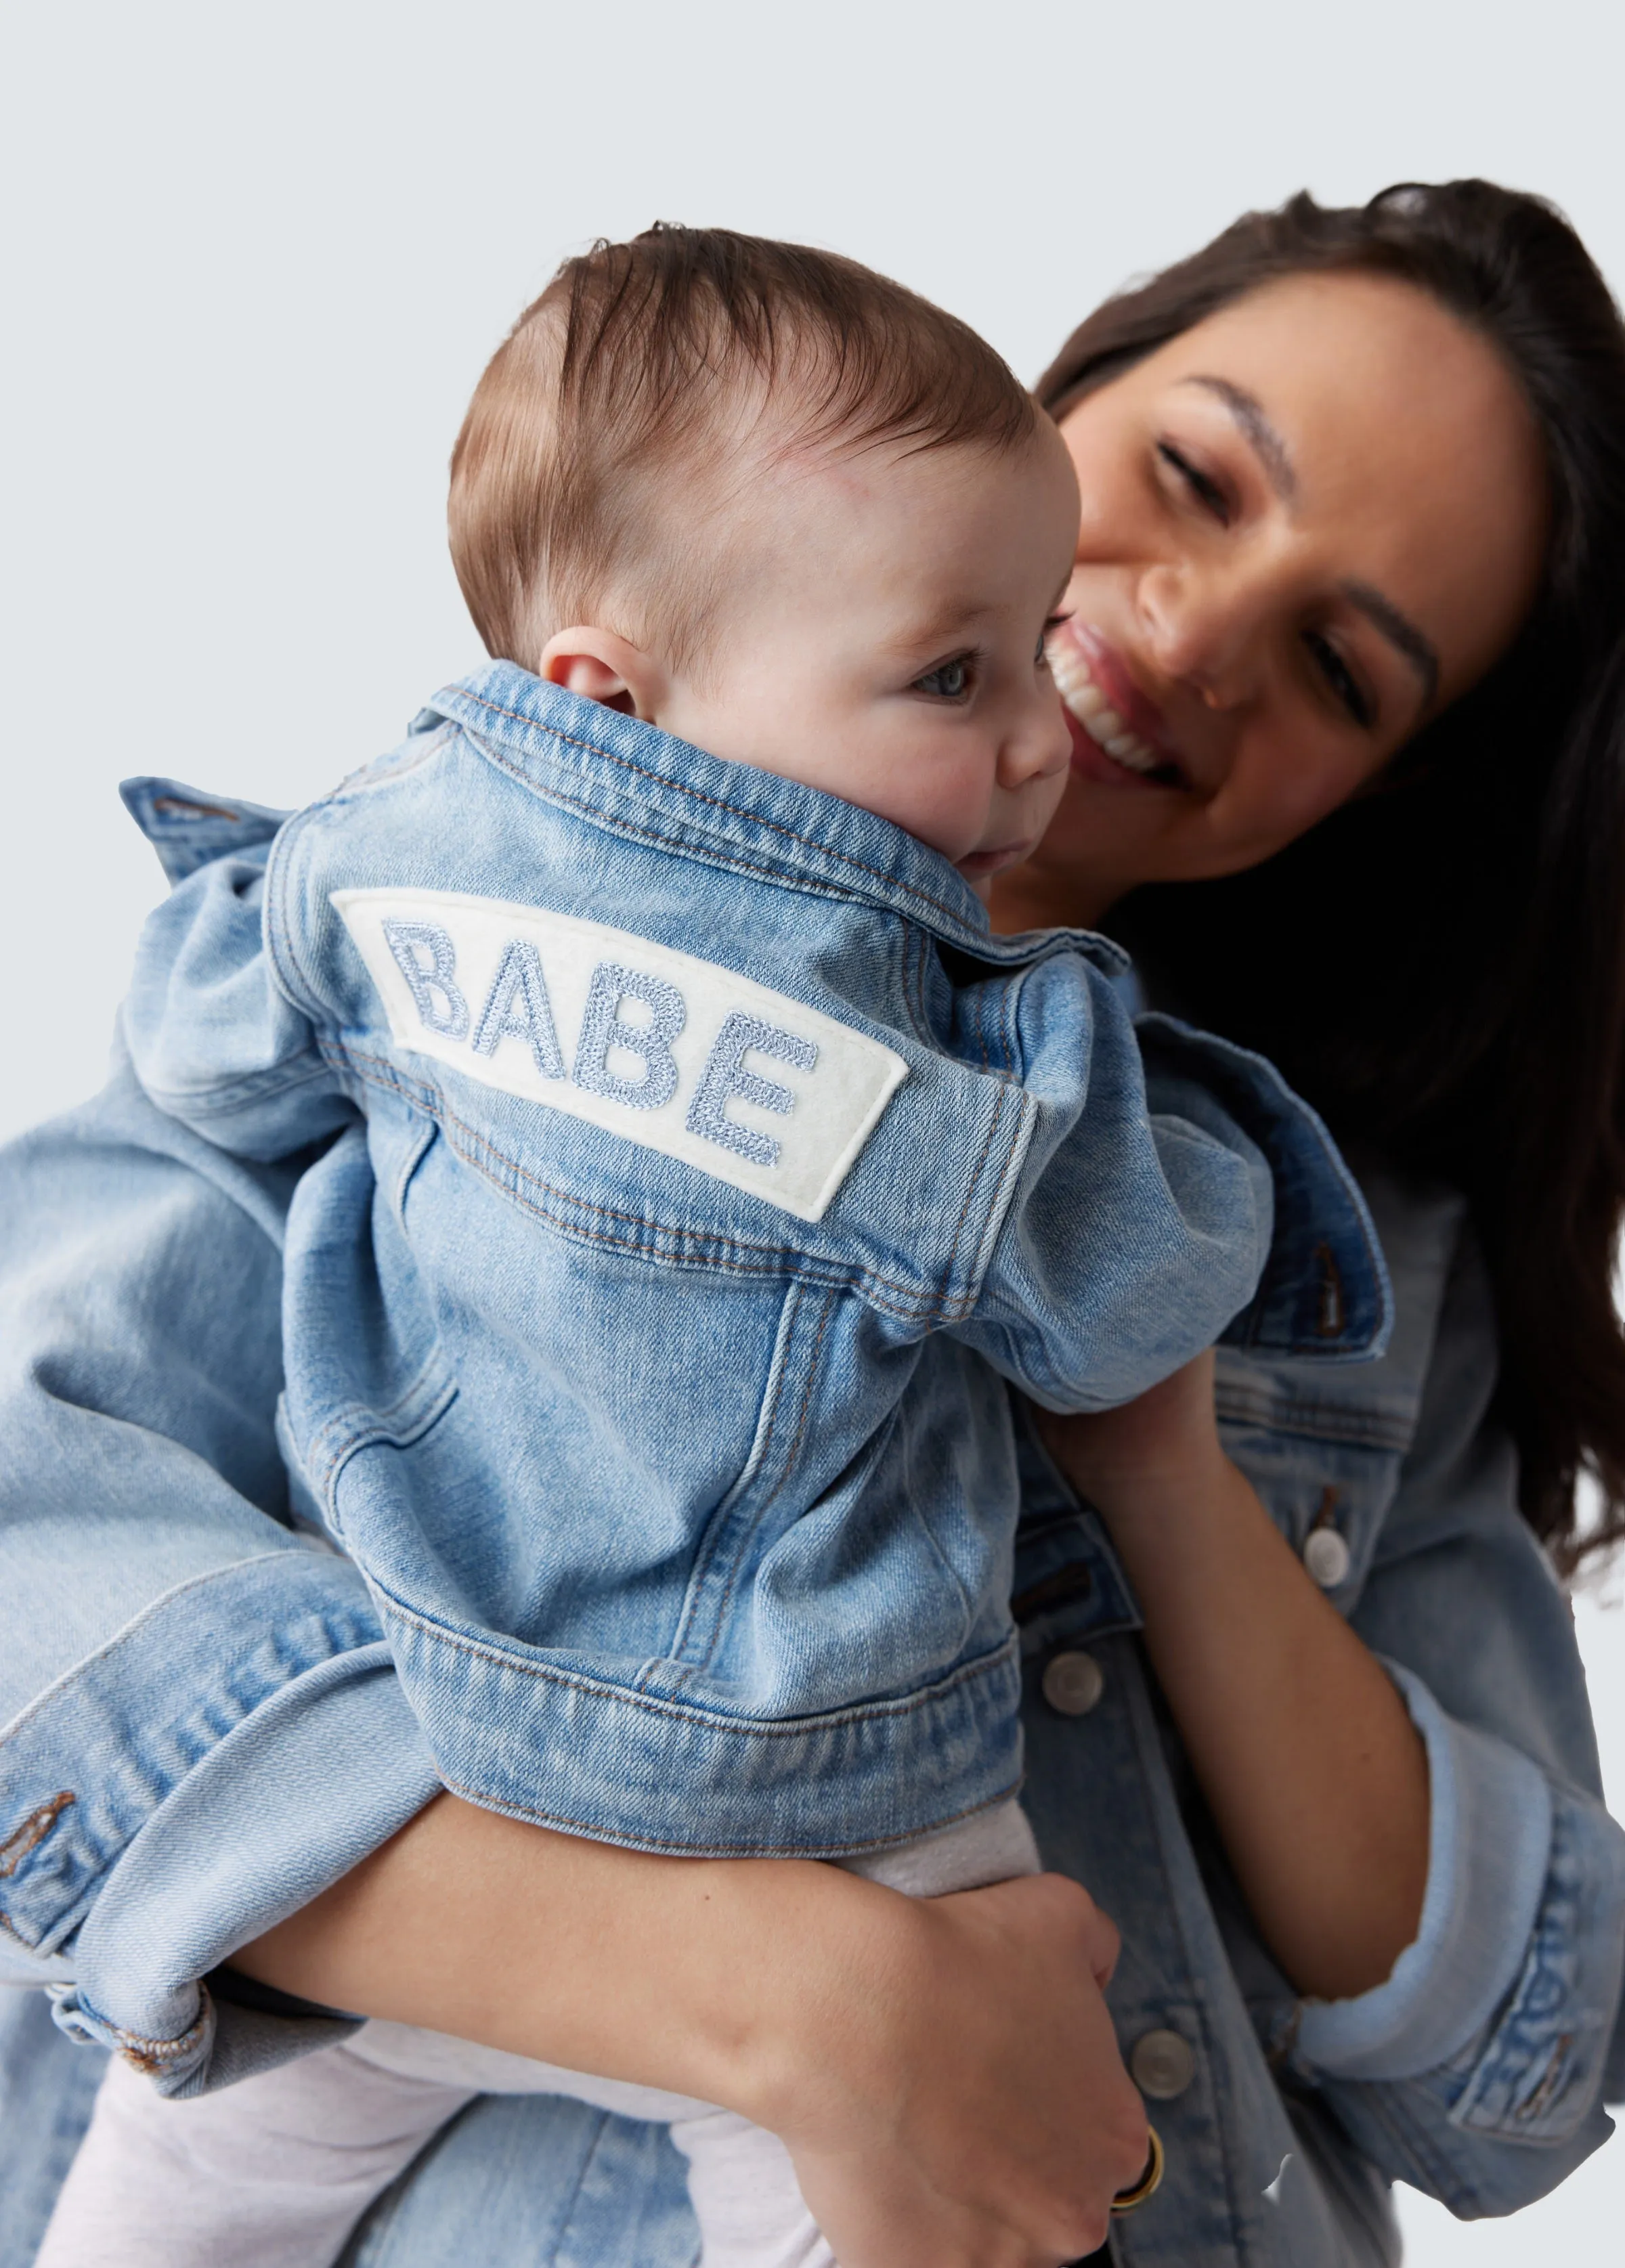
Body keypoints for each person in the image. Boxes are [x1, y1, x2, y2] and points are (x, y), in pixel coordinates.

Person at [3, 179, 1624, 2268]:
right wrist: (776, 1991)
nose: (1193, 631)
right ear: (1061, 403)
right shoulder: (439, 930)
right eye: (1198, 474)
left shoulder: (1328, 1242)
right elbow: (37, 1557)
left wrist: (1168, 1473)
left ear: (1379, 796)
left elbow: (1534, 2062)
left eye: (1337, 660)